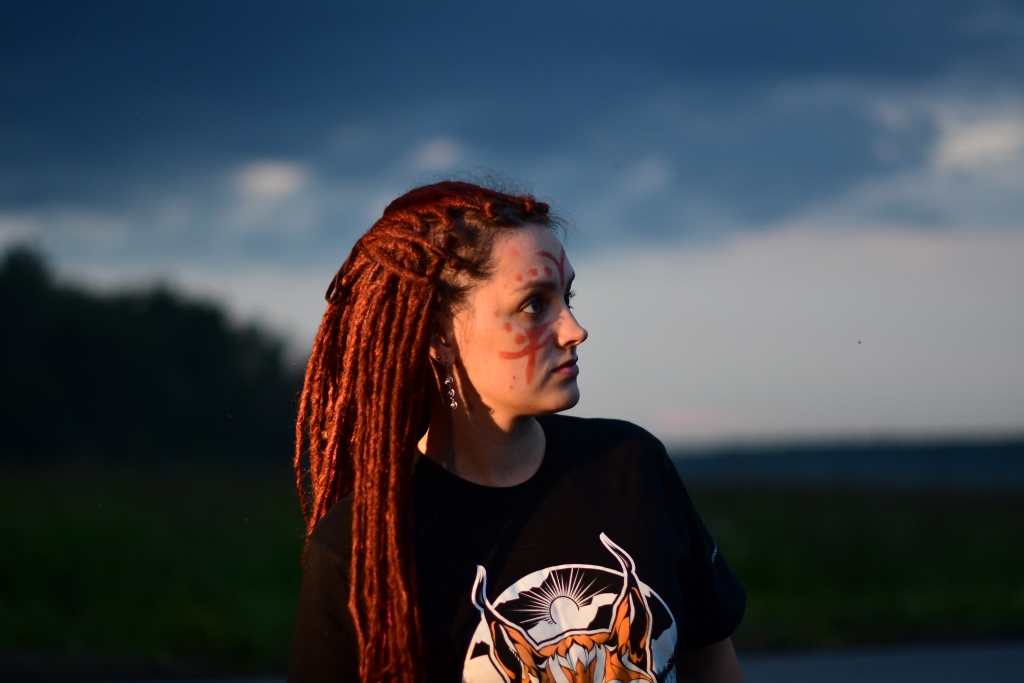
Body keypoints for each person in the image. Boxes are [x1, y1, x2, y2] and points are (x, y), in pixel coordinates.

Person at [289, 181, 745, 682]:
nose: (575, 330)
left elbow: (709, 659)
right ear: (439, 334)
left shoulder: (631, 466)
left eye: (567, 297)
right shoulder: (365, 546)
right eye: (534, 305)